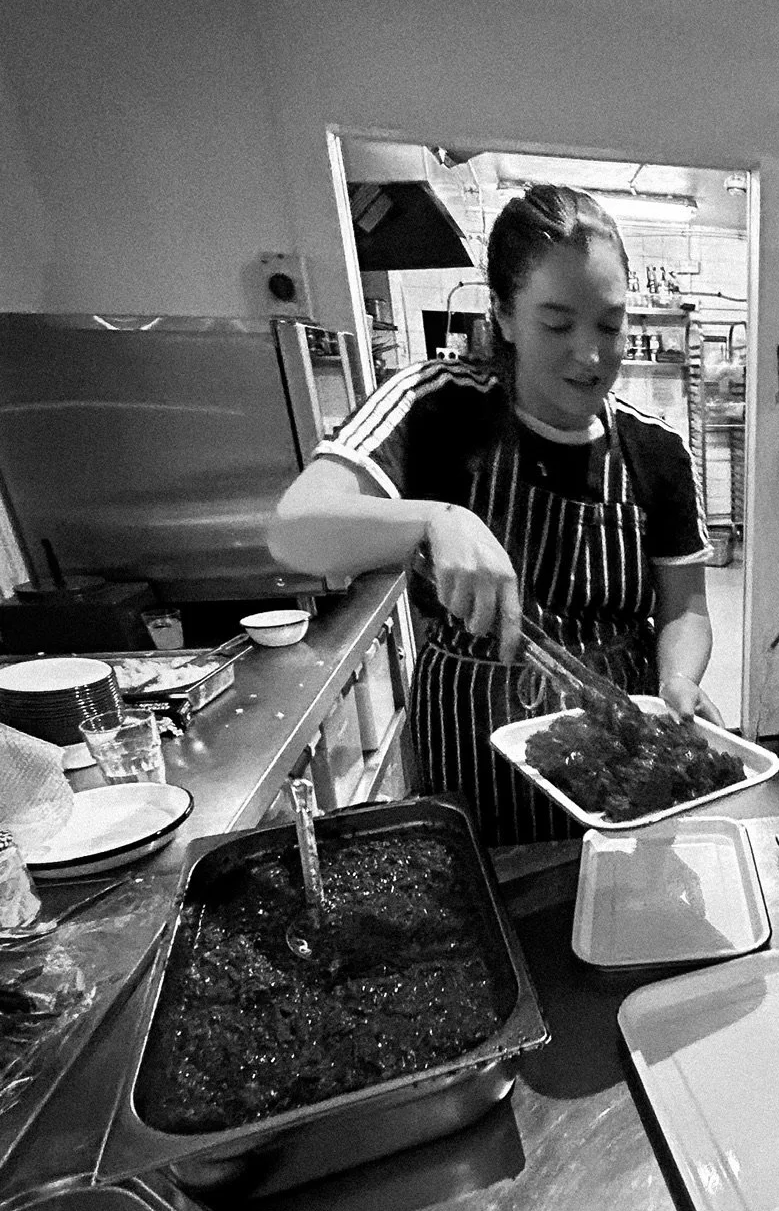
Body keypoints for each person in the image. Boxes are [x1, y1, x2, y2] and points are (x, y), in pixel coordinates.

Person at [269, 184, 718, 846]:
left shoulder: (657, 450)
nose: (591, 355)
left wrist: (678, 680)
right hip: (473, 750)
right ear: (504, 316)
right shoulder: (439, 404)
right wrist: (433, 520)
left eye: (611, 325)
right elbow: (294, 532)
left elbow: (685, 607)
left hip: (623, 756)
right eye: (558, 324)